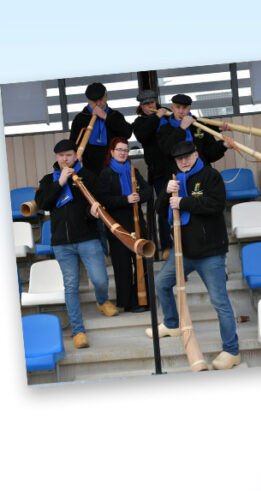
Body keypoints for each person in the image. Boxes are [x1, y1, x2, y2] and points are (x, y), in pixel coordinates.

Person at [149, 141, 240, 370]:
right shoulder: (176, 179)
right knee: (161, 283)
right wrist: (165, 194)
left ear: (196, 154)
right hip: (183, 252)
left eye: (187, 156)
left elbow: (216, 204)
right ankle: (172, 323)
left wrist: (183, 202)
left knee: (220, 302)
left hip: (210, 252)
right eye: (179, 158)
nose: (184, 161)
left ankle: (232, 350)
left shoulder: (211, 176)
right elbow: (161, 209)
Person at [34, 139, 119, 348]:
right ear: (56, 157)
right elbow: (44, 204)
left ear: (76, 156)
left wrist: (93, 213)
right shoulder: (48, 180)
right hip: (62, 243)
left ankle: (102, 300)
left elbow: (99, 203)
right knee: (71, 286)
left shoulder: (88, 176)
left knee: (100, 280)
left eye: (69, 155)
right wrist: (60, 182)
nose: (65, 159)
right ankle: (78, 331)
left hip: (88, 238)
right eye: (61, 155)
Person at [96, 137, 150, 312]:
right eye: (119, 150)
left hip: (137, 223)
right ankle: (128, 302)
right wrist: (125, 199)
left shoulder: (133, 170)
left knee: (142, 260)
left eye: (125, 150)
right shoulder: (105, 174)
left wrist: (139, 197)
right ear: (112, 152)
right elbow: (104, 200)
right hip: (117, 226)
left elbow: (148, 190)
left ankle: (143, 298)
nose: (122, 153)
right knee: (123, 265)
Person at [132, 89, 173, 259]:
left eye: (152, 103)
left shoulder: (168, 116)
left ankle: (184, 243)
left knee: (179, 205)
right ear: (141, 106)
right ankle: (167, 246)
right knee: (163, 207)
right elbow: (143, 135)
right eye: (146, 104)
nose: (150, 106)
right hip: (158, 171)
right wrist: (156, 117)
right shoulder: (139, 122)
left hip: (175, 168)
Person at [70, 82, 133, 176]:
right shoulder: (80, 118)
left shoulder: (115, 115)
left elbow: (127, 133)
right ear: (88, 100)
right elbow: (73, 143)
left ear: (106, 96)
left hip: (114, 166)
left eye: (101, 99)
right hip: (90, 168)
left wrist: (105, 116)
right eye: (94, 101)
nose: (98, 103)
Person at [156, 94, 230, 167]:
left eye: (184, 108)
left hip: (202, 172)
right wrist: (182, 128)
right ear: (172, 108)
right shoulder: (164, 129)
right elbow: (167, 151)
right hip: (178, 175)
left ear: (189, 109)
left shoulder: (199, 125)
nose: (181, 111)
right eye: (178, 107)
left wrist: (223, 145)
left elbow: (209, 154)